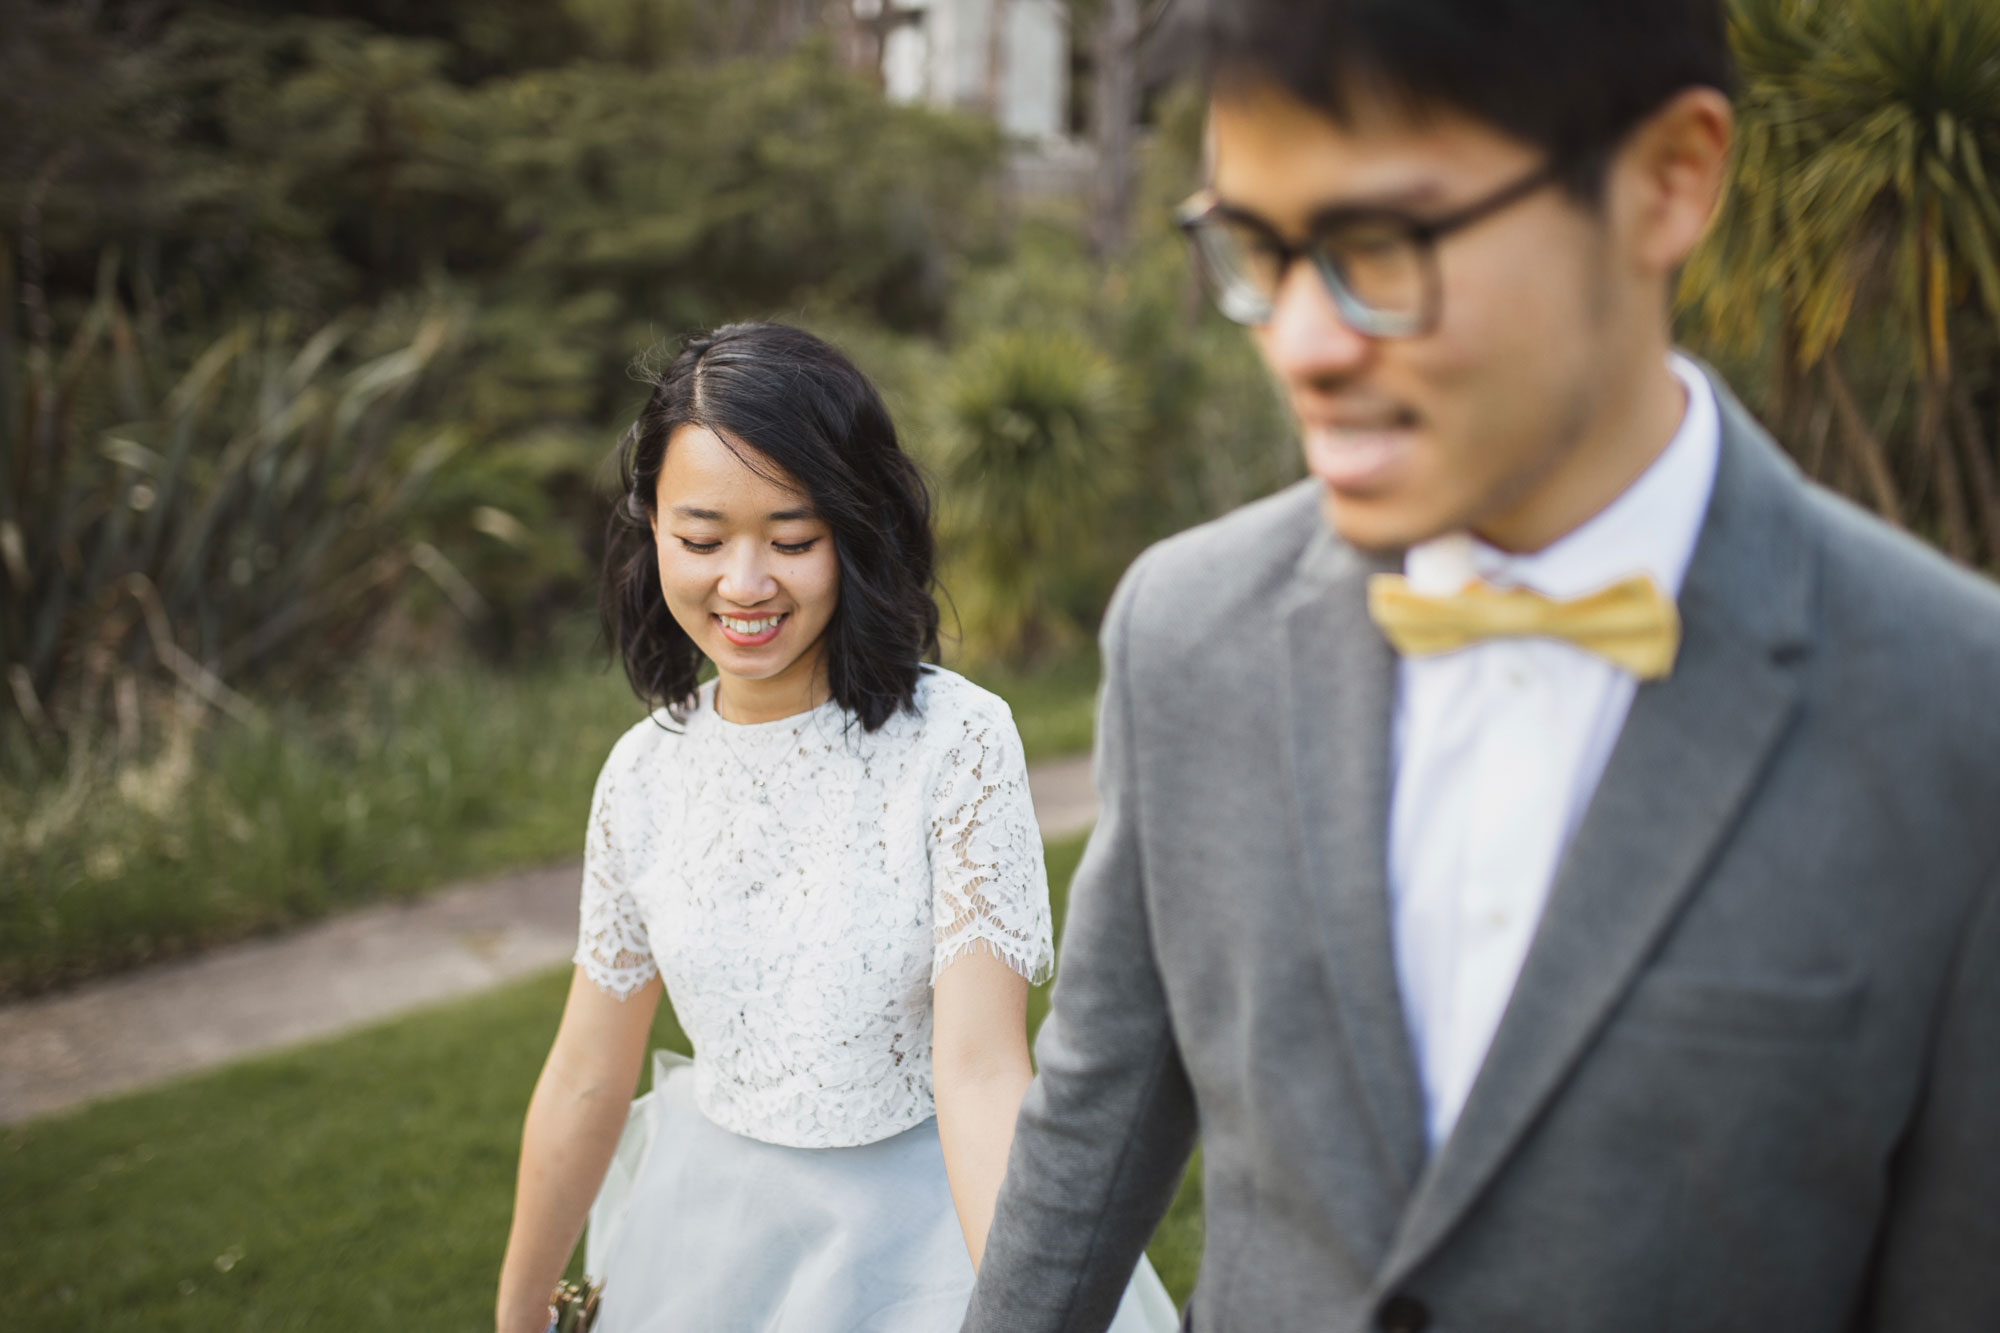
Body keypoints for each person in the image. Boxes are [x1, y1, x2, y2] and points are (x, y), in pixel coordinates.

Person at [964, 3, 2000, 1331]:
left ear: (1668, 182)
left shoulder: (1954, 716)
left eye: (1379, 246)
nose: (1301, 342)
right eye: (1262, 251)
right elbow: (1085, 1141)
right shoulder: (1185, 632)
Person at [494, 322, 1176, 1333]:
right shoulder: (640, 775)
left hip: (929, 1248)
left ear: (856, 531)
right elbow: (589, 1070)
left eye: (792, 538)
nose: (744, 583)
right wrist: (518, 1314)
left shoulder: (956, 744)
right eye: (701, 538)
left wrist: (1024, 1317)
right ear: (650, 535)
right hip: (706, 1250)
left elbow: (982, 1069)